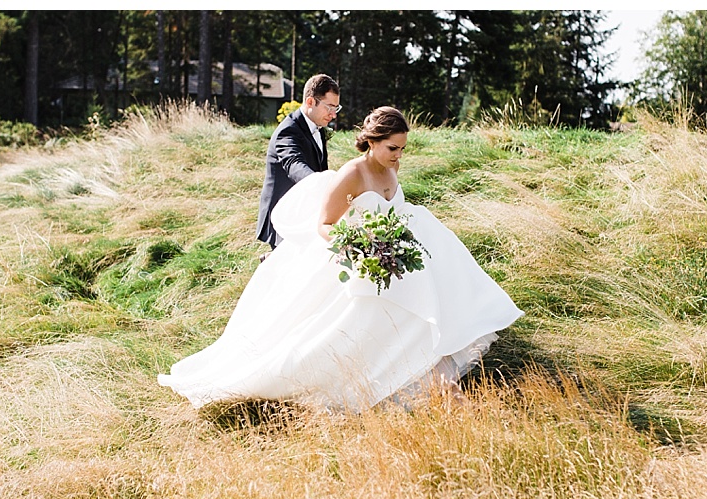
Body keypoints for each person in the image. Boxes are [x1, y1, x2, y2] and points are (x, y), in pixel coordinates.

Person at [159, 106, 523, 412]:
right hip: (355, 257)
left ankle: (434, 377)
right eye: (393, 148)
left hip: (386, 255)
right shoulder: (352, 173)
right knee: (337, 332)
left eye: (402, 149)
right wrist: (361, 243)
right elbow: (325, 224)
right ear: (373, 141)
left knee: (433, 287)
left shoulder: (392, 168)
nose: (399, 156)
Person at [255, 73, 340, 253]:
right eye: (329, 107)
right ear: (310, 102)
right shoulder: (288, 131)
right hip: (284, 218)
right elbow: (294, 165)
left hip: (304, 213)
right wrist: (322, 184)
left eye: (336, 108)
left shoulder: (317, 126)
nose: (333, 115)